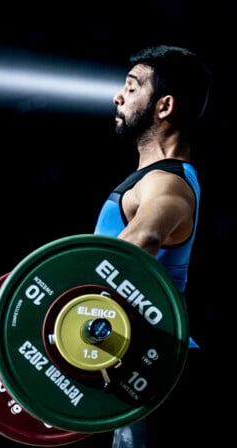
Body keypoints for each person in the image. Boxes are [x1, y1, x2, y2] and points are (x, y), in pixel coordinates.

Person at [93, 44, 212, 447]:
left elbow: (142, 240)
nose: (117, 96)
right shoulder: (154, 179)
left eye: (131, 86)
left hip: (157, 371)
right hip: (142, 371)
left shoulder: (168, 183)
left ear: (164, 107)